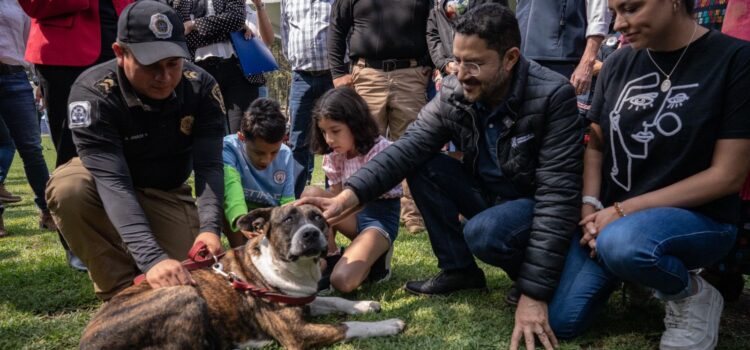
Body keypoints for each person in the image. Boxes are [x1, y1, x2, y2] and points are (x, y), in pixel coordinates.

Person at [300, 4, 583, 349]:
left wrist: (534, 292)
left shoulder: (553, 95)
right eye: (458, 60)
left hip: (530, 205)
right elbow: (405, 151)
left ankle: (528, 275)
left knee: (558, 311)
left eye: (474, 63)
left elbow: (557, 199)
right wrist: (347, 197)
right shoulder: (454, 92)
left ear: (510, 58)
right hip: (488, 195)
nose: (461, 73)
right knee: (422, 162)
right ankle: (459, 270)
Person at [547, 1, 750, 349]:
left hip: (700, 221)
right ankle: (637, 273)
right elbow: (595, 146)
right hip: (612, 220)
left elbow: (727, 175)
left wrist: (623, 212)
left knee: (625, 243)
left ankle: (694, 294)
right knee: (563, 322)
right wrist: (589, 208)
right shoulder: (617, 63)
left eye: (631, 8)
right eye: (614, 12)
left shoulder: (735, 59)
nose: (619, 24)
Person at [45, 1, 226, 301]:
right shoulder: (92, 94)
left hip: (165, 191)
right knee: (69, 188)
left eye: (173, 63)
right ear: (120, 53)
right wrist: (153, 259)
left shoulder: (202, 87)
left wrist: (209, 227)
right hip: (105, 187)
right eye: (151, 65)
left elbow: (209, 166)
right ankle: (120, 290)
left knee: (191, 280)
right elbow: (113, 183)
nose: (165, 77)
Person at [328, 0, 432, 234]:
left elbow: (433, 24)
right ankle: (360, 213)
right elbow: (336, 27)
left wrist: (428, 61)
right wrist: (337, 72)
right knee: (362, 148)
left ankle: (413, 215)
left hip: (410, 75)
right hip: (366, 75)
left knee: (413, 148)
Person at [301, 87, 402, 294]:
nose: (329, 139)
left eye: (335, 131)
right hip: (351, 214)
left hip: (378, 221)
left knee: (343, 281)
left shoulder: (382, 151)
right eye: (323, 131)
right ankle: (331, 258)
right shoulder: (335, 154)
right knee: (311, 195)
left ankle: (377, 258)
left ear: (355, 124)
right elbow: (337, 199)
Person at [0, 1, 56, 235]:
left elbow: (30, 40)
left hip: (16, 78)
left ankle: (48, 211)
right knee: (3, 144)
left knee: (31, 148)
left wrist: (39, 80)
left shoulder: (18, 3)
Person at [223, 98, 296, 247]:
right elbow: (231, 186)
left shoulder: (286, 154)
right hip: (240, 215)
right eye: (259, 152)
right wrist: (241, 219)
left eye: (274, 152)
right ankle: (239, 254)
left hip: (271, 218)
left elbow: (287, 202)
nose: (266, 160)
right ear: (242, 138)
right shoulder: (228, 148)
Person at [281, 0, 335, 197]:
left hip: (333, 75)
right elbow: (286, 34)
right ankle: (292, 200)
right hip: (301, 77)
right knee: (297, 141)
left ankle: (335, 198)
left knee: (335, 139)